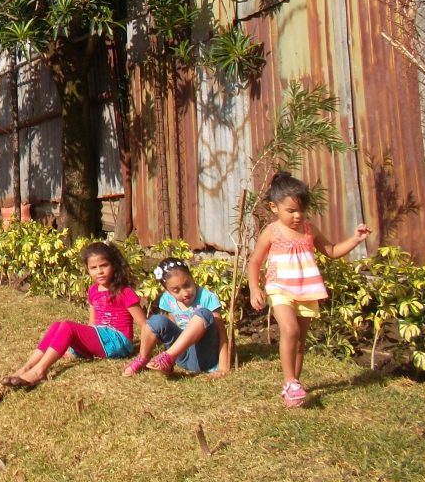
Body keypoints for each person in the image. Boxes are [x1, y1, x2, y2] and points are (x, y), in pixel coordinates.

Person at [246, 171, 370, 407]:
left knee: (301, 342)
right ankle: (289, 381)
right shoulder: (271, 232)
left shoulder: (309, 230)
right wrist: (254, 288)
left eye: (301, 211)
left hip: (306, 289)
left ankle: (295, 385)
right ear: (274, 207)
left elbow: (332, 251)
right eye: (291, 211)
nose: (297, 216)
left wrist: (355, 239)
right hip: (280, 288)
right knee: (290, 330)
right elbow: (254, 261)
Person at [1, 241, 145, 390]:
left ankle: (39, 371)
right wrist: (82, 347)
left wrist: (144, 355)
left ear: (113, 265)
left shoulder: (124, 291)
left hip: (118, 342)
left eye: (104, 266)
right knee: (58, 325)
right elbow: (92, 324)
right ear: (87, 270)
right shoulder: (93, 290)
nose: (99, 271)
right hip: (101, 338)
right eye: (93, 268)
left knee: (68, 326)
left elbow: (144, 325)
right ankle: (27, 367)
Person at [123, 257, 230, 377]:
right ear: (167, 291)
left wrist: (223, 368)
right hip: (182, 357)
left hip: (204, 357)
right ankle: (143, 358)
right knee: (155, 320)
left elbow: (222, 334)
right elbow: (171, 326)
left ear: (191, 277)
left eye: (187, 285)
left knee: (203, 313)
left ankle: (168, 357)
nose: (185, 293)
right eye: (176, 290)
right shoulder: (168, 299)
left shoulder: (207, 298)